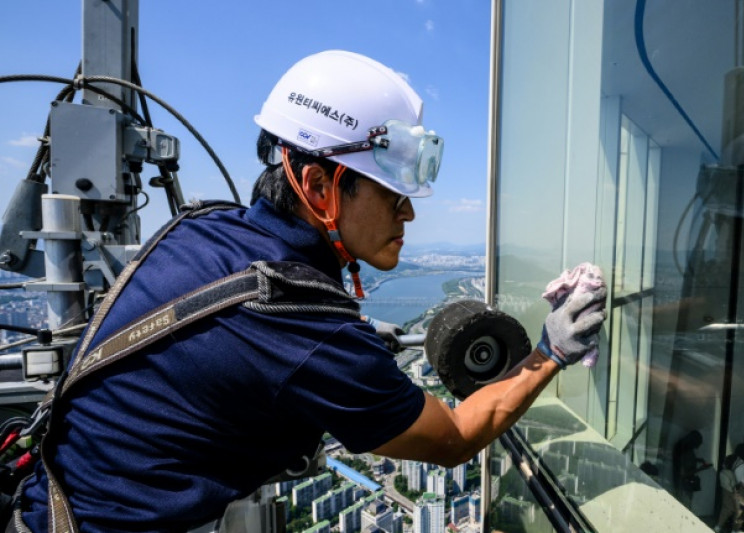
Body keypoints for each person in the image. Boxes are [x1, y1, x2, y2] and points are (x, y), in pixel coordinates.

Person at [12, 50, 607, 532]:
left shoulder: (203, 230)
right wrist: (551, 350)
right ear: (320, 185)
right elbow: (452, 439)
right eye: (391, 195)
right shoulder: (295, 318)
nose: (408, 214)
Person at [715, 444, 744, 533]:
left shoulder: (730, 459)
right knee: (739, 511)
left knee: (727, 509)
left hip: (729, 488)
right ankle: (734, 530)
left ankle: (718, 527)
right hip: (738, 490)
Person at [673, 430, 712, 506]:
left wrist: (698, 460)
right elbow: (683, 474)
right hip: (683, 488)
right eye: (698, 443)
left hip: (686, 485)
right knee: (685, 507)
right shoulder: (683, 450)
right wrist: (701, 468)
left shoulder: (685, 448)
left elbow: (686, 460)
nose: (699, 445)